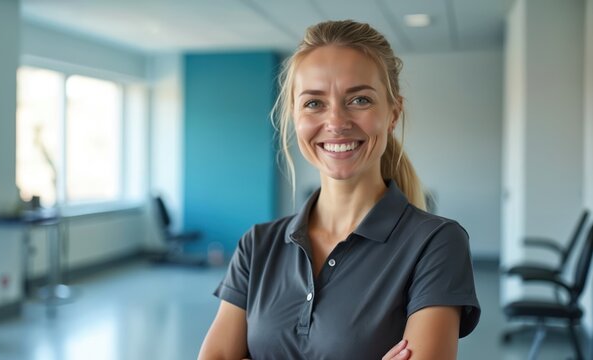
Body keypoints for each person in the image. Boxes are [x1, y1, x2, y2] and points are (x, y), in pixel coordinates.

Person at [198, 20, 480, 360]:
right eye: (314, 103)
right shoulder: (257, 246)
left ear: (392, 113)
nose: (336, 122)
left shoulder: (436, 244)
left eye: (359, 99)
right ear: (294, 116)